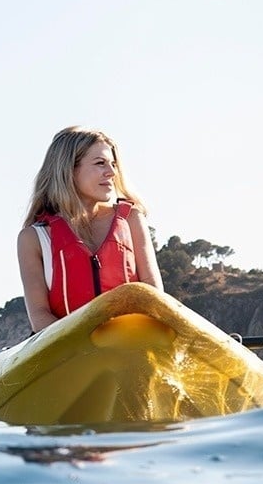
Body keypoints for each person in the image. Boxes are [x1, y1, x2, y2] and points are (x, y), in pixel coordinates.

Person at [17, 126, 163, 332]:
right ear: (69, 170)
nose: (112, 172)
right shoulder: (33, 238)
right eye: (100, 163)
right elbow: (40, 315)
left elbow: (154, 294)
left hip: (131, 347)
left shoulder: (131, 220)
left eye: (113, 164)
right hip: (70, 354)